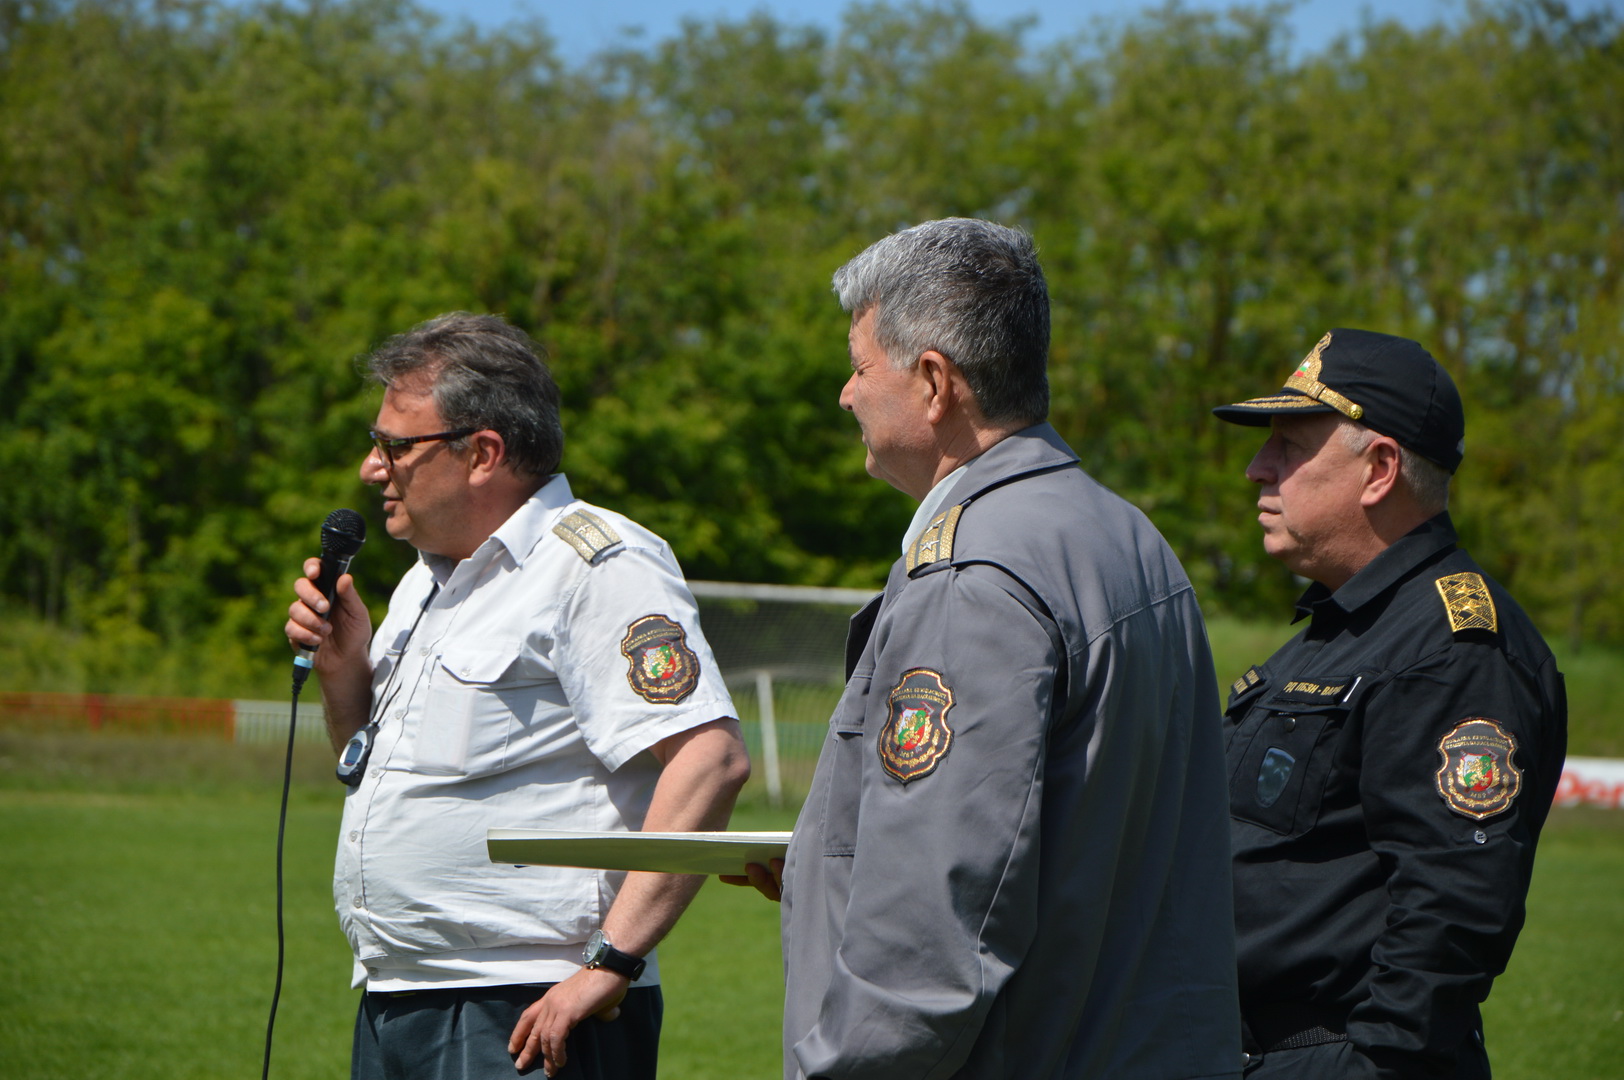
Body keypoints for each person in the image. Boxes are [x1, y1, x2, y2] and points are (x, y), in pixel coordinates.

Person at [725, 218, 1242, 1080]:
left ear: (935, 383)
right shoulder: (1128, 536)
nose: (846, 396)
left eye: (860, 368)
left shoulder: (973, 572)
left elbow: (934, 912)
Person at [284, 312, 750, 1080]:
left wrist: (611, 963)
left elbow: (710, 759)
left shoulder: (597, 564)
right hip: (400, 991)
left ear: (483, 453)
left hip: (529, 1005)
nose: (372, 468)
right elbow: (375, 769)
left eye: (395, 447)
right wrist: (343, 674)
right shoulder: (422, 583)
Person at [1212, 329, 1568, 1078]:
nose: (1256, 467)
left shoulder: (1454, 651)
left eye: (1288, 446)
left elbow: (1452, 913)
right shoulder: (1345, 628)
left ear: (1378, 469)